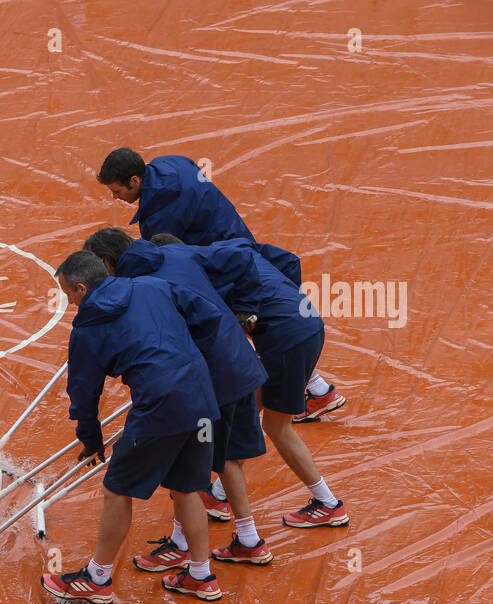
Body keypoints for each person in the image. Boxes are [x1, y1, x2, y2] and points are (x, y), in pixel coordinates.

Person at [96, 147, 346, 426]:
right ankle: (318, 390)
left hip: (218, 268)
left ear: (135, 180)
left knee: (243, 325)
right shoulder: (172, 162)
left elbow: (163, 258)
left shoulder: (159, 215)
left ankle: (254, 409)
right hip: (237, 244)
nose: (115, 198)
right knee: (267, 323)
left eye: (117, 191)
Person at [39, 251, 223, 604]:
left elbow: (84, 391)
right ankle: (202, 576)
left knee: (116, 489)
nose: (70, 303)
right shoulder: (153, 286)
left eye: (69, 295)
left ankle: (97, 579)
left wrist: (91, 439)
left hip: (161, 404)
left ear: (81, 287)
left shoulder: (88, 328)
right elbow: (208, 315)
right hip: (201, 396)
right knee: (188, 488)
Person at [85, 228, 274, 568]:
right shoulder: (177, 253)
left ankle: (183, 548)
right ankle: (248, 540)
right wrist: (245, 310)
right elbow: (244, 254)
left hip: (206, 378)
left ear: (105, 263)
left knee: (188, 466)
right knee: (226, 457)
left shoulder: (136, 288)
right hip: (240, 363)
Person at [152, 234, 350, 529]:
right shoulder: (226, 247)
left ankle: (328, 503)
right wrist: (282, 302)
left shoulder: (200, 275)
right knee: (244, 411)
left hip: (286, 341)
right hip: (306, 324)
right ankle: (219, 495)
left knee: (275, 426)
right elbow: (288, 261)